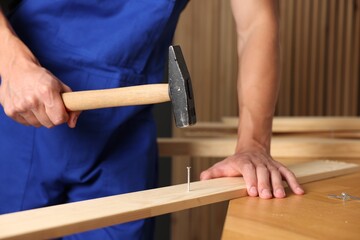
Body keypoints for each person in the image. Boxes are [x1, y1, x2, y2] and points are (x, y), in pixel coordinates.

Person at [0, 0, 304, 239]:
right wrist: (13, 64)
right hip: (21, 118)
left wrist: (253, 144)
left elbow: (256, 24)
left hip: (123, 141)